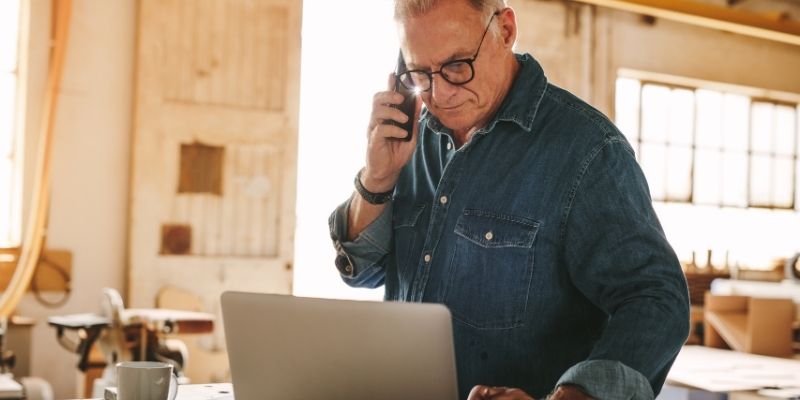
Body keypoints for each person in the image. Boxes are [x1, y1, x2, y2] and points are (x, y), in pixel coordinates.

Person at [328, 0, 690, 398]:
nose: (441, 93)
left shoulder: (587, 150)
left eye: (456, 66)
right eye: (419, 73)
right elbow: (360, 271)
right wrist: (378, 177)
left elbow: (657, 300)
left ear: (505, 30)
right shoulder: (410, 137)